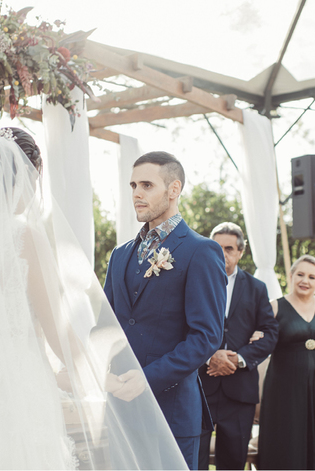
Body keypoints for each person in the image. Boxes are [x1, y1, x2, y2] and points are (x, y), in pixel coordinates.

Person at [0, 128, 187, 469]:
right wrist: (108, 381)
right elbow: (59, 334)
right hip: (21, 392)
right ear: (23, 174)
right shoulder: (25, 237)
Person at [103, 151, 226, 470]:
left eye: (146, 185)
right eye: (133, 185)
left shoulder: (201, 251)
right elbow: (106, 325)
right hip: (119, 408)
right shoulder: (119, 255)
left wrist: (146, 379)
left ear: (174, 189)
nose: (137, 194)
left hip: (171, 410)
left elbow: (206, 338)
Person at [256, 255, 315, 470]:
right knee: (287, 442)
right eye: (300, 274)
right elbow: (259, 343)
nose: (304, 280)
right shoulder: (275, 307)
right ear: (290, 276)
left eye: (311, 276)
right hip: (284, 390)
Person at [199, 222, 278, 471]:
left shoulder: (256, 288)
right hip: (200, 388)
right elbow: (182, 329)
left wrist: (238, 359)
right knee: (193, 461)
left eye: (229, 248)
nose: (222, 253)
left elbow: (270, 333)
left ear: (240, 252)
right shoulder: (194, 283)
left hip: (240, 391)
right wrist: (208, 356)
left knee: (233, 463)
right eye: (216, 247)